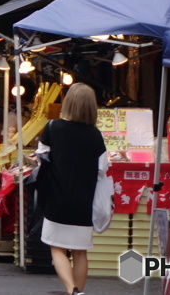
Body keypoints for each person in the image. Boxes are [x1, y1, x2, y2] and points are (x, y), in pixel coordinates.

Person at [38, 83, 108, 295]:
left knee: (56, 248)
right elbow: (103, 169)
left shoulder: (52, 127)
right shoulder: (95, 135)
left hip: (56, 198)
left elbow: (41, 158)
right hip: (84, 202)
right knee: (80, 252)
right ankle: (78, 292)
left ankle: (72, 290)